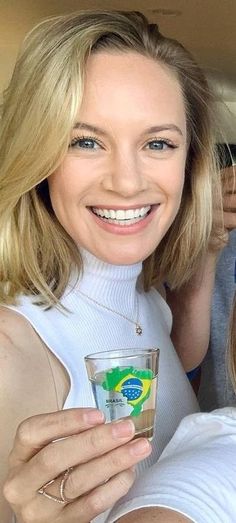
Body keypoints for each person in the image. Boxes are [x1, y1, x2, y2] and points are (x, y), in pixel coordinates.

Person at [0, 9, 235, 523]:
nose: (126, 183)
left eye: (158, 143)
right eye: (85, 141)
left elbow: (176, 380)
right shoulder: (12, 351)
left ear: (189, 159)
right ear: (36, 153)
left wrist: (207, 255)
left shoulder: (143, 293)